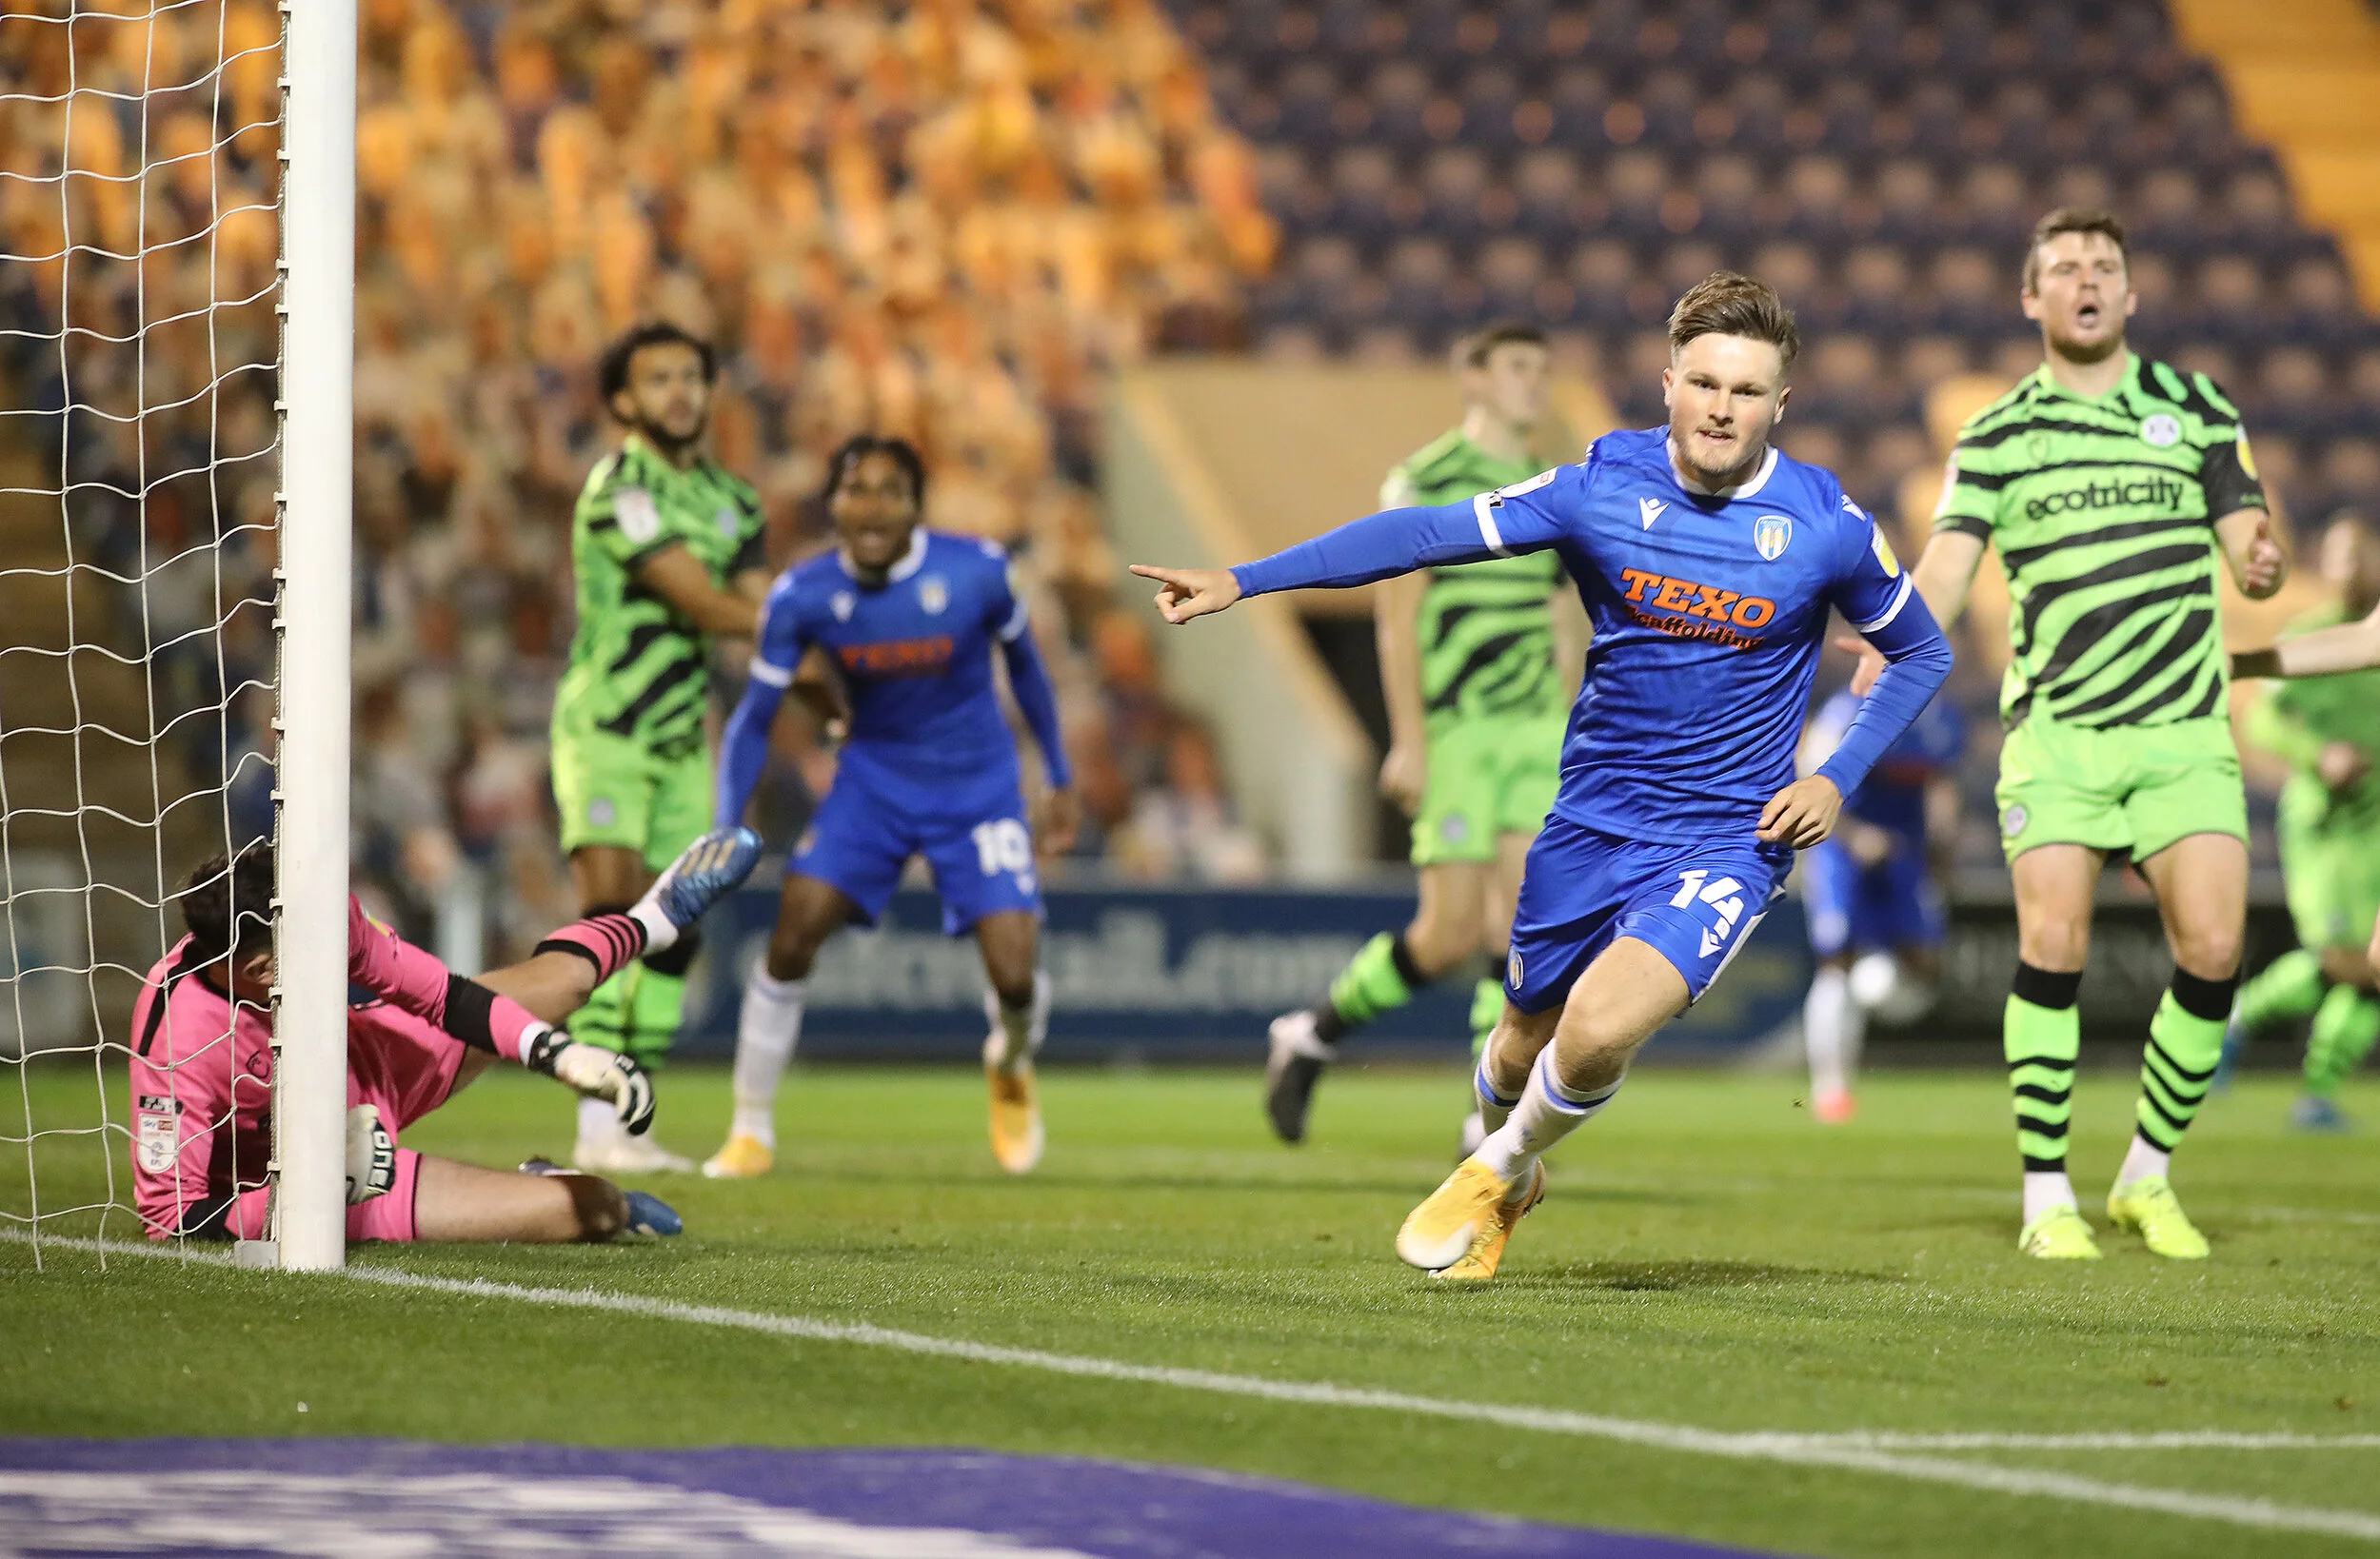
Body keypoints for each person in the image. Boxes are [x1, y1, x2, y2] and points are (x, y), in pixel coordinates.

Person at [1133, 273, 1953, 1281]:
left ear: (1779, 404)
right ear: (1668, 385)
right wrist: (1244, 578)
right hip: (1590, 823)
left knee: (1597, 1030)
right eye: (1703, 383)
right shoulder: (1598, 487)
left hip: (1727, 838)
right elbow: (1420, 533)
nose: (1720, 408)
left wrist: (1834, 777)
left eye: (1746, 391)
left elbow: (1921, 651)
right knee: (1518, 1043)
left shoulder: (1826, 522)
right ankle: (1510, 1175)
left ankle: (1492, 1167)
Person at [1847, 207, 2287, 1261]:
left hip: (2182, 728)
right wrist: (1892, 635)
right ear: (2030, 297)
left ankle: (2145, 1175)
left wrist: (2260, 560)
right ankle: (2047, 1194)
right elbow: (1949, 565)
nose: (2085, 280)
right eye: (2064, 268)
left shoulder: (2197, 408)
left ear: (2130, 293)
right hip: (2059, 733)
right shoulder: (1997, 433)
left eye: (2103, 266)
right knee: (2052, 945)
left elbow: (2247, 540)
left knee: (2214, 950)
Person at [704, 435, 1080, 1180]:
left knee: (1014, 975)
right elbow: (753, 717)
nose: (871, 507)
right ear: (832, 503)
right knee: (794, 929)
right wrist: (725, 821)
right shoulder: (802, 595)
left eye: (889, 491)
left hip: (977, 786)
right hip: (873, 782)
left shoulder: (978, 571)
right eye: (856, 489)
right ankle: (748, 1128)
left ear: (915, 507)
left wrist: (1058, 776)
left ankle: (1009, 1062)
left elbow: (1028, 672)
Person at [129, 827, 762, 1244]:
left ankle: (655, 919)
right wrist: (305, 1191)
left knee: (564, 984)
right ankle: (547, 1183)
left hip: (373, 1057)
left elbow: (445, 997)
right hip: (330, 1179)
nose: (337, 949)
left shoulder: (317, 913)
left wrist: (558, 1054)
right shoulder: (180, 1039)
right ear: (260, 971)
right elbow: (170, 1216)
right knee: (592, 1209)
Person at [1265, 322, 1581, 1148]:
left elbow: (1561, 616)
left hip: (1535, 731)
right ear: (1473, 378)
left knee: (1516, 933)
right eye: (1517, 367)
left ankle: (1485, 1120)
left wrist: (1574, 720)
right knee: (1446, 937)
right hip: (1458, 732)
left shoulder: (1551, 487)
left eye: (1542, 369)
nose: (1534, 383)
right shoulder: (1425, 481)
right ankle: (1313, 1032)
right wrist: (1407, 738)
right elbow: (1395, 622)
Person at [550, 321, 772, 1174]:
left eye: (692, 376)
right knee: (611, 911)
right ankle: (594, 1122)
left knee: (679, 932)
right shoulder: (618, 490)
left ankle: (632, 1122)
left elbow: (760, 610)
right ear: (623, 401)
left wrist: (826, 683)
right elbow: (710, 605)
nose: (680, 393)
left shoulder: (736, 502)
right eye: (659, 379)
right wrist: (816, 627)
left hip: (683, 741)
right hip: (607, 729)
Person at [2225, 513, 2380, 1127]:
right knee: (2347, 959)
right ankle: (2296, 1070)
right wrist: (2318, 755)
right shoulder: (2314, 633)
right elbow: (2262, 721)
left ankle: (2313, 1088)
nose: (2350, 569)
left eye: (2360, 554)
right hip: (2329, 825)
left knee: (2363, 964)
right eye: (2338, 556)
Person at [1796, 677, 1965, 1124]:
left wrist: (1944, 851)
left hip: (1906, 851)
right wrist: (1854, 836)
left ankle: (1871, 1000)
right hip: (1842, 851)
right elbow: (1810, 780)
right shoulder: (1842, 711)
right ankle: (1830, 1087)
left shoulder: (1938, 714)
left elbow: (1941, 785)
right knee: (1837, 958)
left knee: (1923, 962)